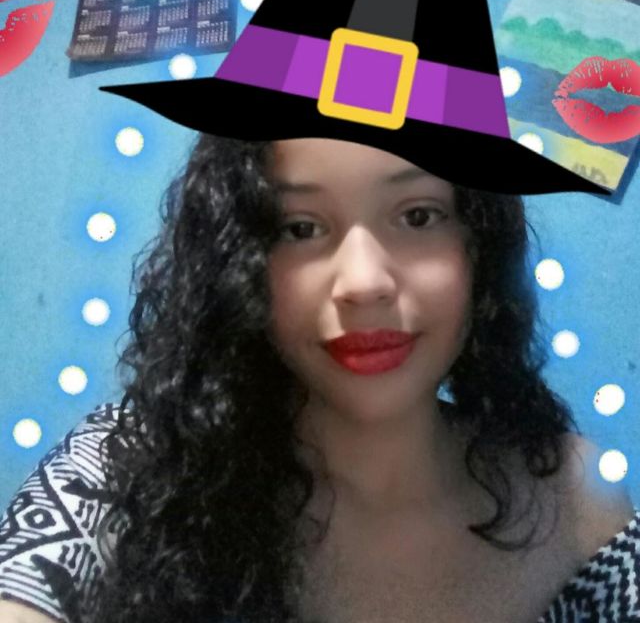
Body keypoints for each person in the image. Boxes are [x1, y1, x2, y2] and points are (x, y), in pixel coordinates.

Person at [0, 136, 637, 623]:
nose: (363, 282)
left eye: (418, 216)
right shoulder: (126, 468)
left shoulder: (578, 506)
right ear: (238, 262)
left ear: (479, 246)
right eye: (300, 228)